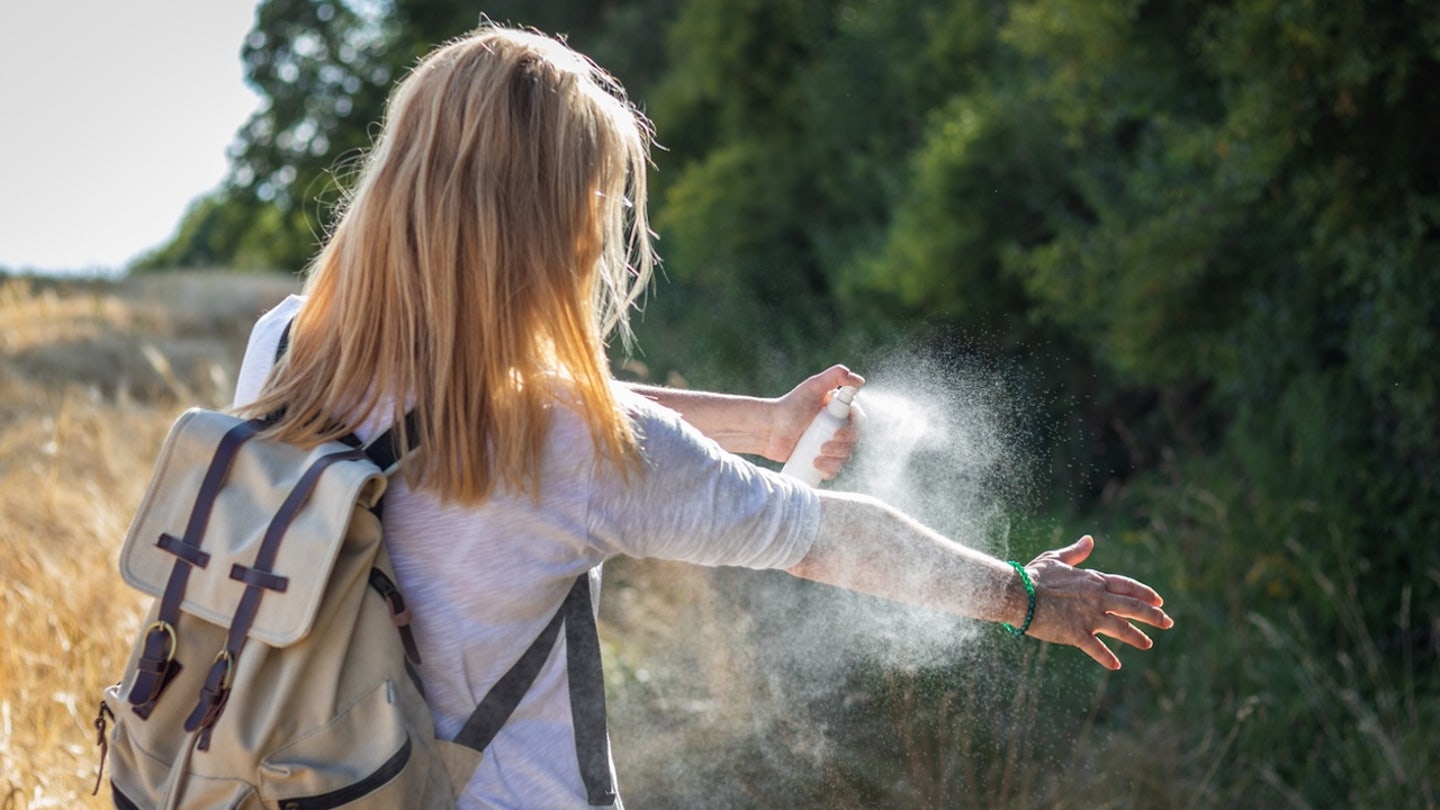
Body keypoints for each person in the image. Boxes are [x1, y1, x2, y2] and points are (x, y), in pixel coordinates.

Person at [233, 24, 1171, 809]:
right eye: (595, 194)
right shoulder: (569, 442)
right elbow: (824, 536)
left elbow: (498, 398)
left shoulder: (290, 344)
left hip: (299, 782)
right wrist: (1027, 596)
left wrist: (764, 425)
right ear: (551, 214)